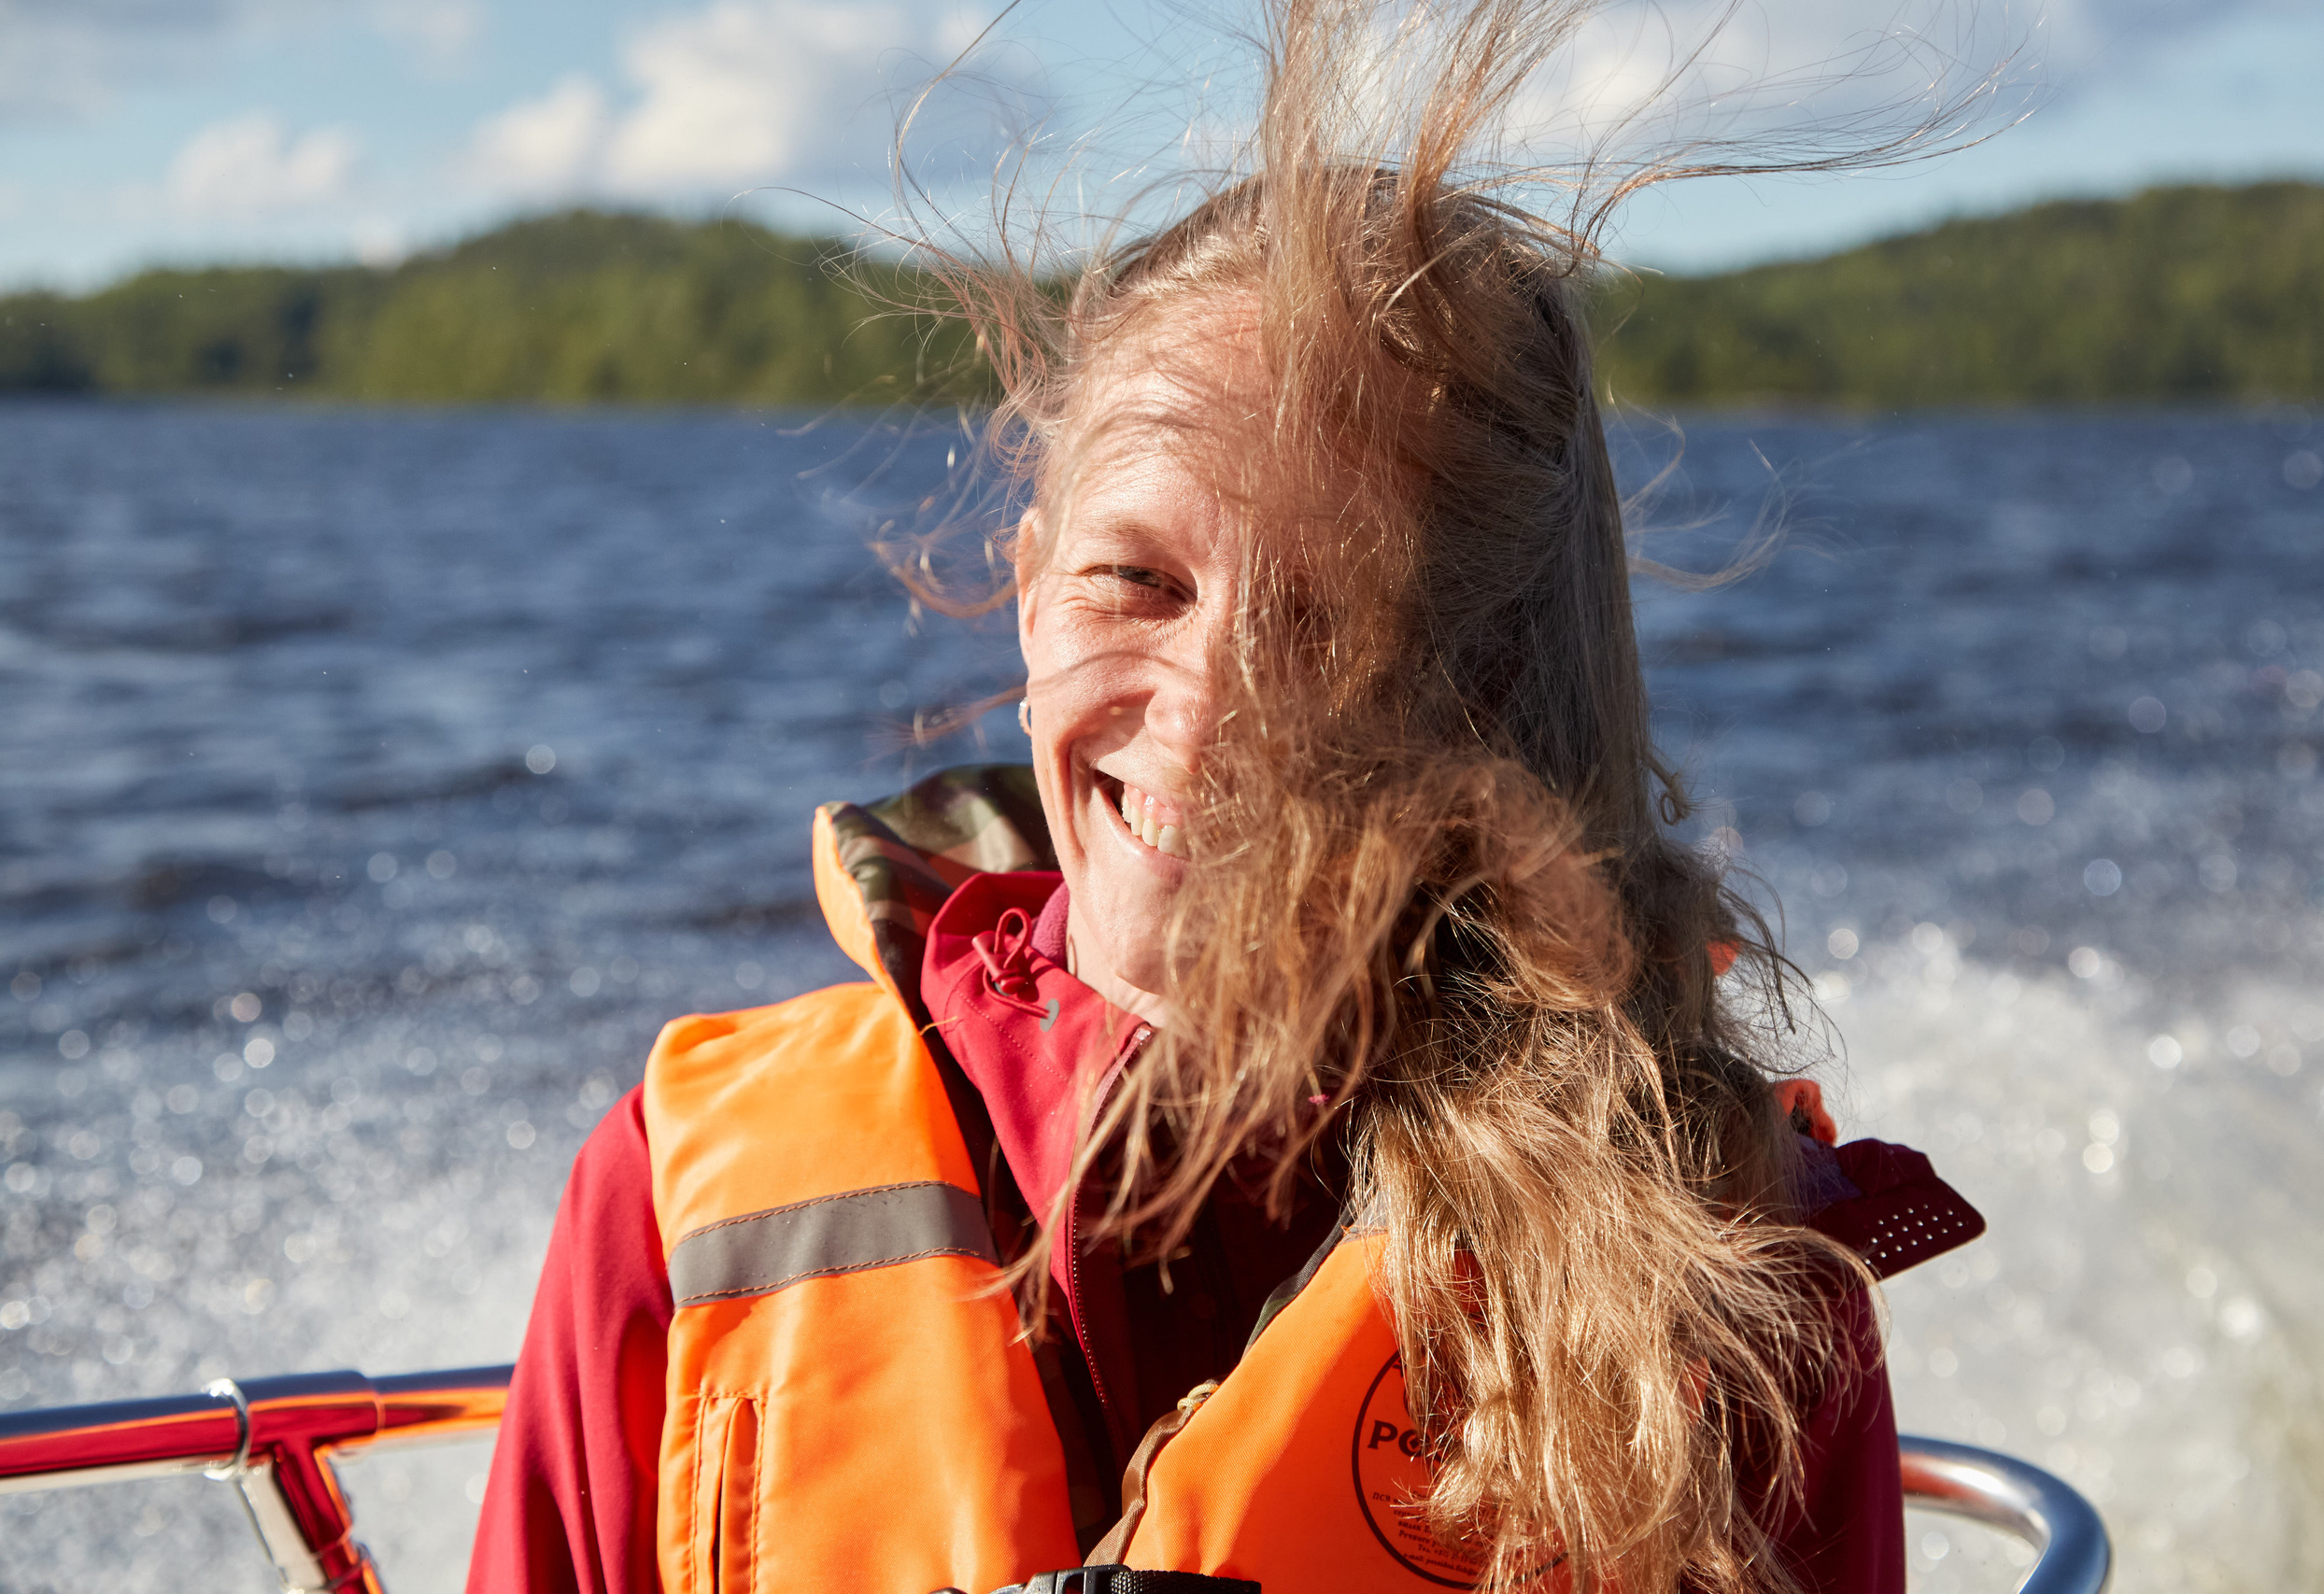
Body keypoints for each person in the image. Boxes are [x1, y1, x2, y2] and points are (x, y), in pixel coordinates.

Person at [467, 2, 1986, 1588]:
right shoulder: (677, 1188)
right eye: (1135, 581)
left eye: (1336, 629)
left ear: (1483, 695)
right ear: (1028, 587)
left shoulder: (1713, 1261)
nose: (1205, 723)